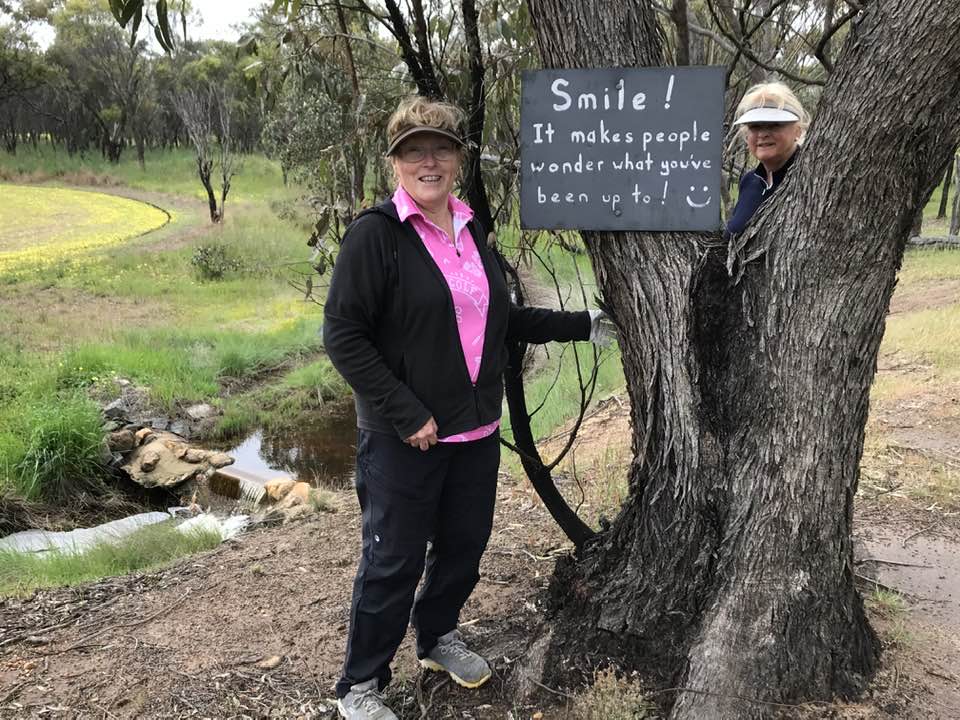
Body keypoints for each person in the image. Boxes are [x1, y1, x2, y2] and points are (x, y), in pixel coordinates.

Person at [323, 96, 612, 720]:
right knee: (392, 561)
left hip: (475, 429)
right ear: (395, 162)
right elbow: (344, 336)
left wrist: (585, 325)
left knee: (463, 546)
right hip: (405, 438)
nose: (428, 162)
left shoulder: (471, 228)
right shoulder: (377, 235)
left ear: (457, 159)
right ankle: (360, 686)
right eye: (414, 151)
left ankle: (436, 636)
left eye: (441, 149)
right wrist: (406, 413)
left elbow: (503, 318)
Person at [725, 82, 811, 237]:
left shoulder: (811, 178)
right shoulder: (749, 181)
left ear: (797, 131)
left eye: (774, 125)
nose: (763, 134)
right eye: (755, 126)